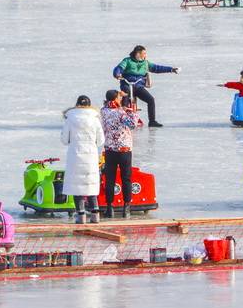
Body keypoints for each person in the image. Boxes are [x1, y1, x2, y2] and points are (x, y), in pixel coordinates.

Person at [61, 95, 105, 224]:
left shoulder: (70, 118)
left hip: (75, 155)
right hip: (90, 155)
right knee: (90, 185)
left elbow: (64, 140)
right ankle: (95, 215)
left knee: (77, 186)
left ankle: (80, 216)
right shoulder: (95, 119)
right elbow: (101, 140)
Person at [113, 45, 179, 128]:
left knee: (151, 100)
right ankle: (123, 117)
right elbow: (119, 68)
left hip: (138, 86)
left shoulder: (146, 63)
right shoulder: (127, 61)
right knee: (126, 95)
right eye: (144, 53)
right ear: (137, 54)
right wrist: (117, 74)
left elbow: (156, 68)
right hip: (127, 84)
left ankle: (152, 121)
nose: (145, 55)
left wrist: (171, 69)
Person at [100, 89, 138, 218]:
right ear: (116, 99)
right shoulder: (121, 113)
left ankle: (109, 208)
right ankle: (126, 208)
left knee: (110, 179)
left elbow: (110, 104)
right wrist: (132, 112)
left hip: (110, 150)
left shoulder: (103, 111)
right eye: (118, 97)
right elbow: (133, 125)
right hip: (124, 150)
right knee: (126, 179)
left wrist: (119, 97)